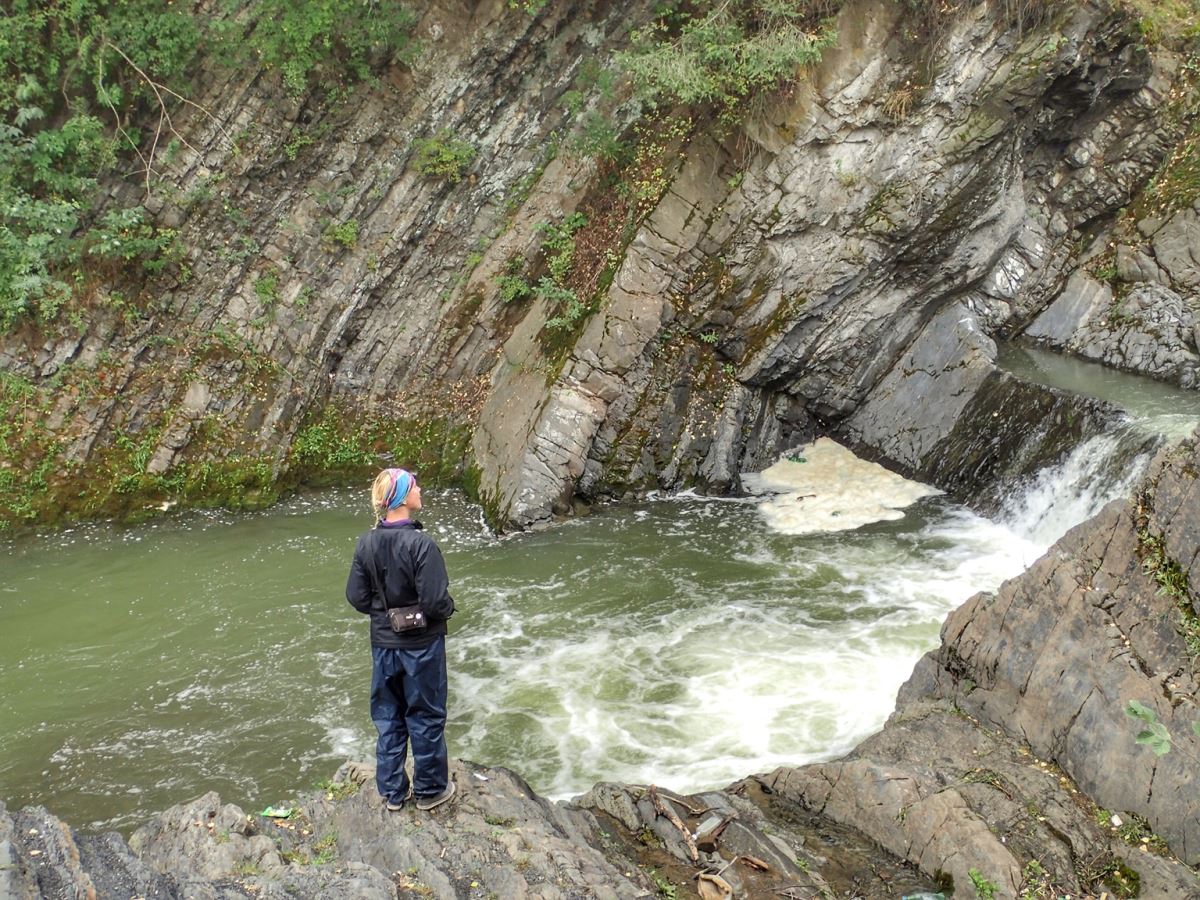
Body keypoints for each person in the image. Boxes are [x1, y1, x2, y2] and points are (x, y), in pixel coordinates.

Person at [346, 467, 457, 811]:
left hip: (383, 646)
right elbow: (437, 603)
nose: (420, 489)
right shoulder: (421, 545)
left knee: (388, 717)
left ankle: (393, 793)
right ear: (402, 498)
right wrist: (448, 609)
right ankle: (429, 790)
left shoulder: (366, 542)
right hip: (421, 648)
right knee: (425, 715)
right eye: (414, 486)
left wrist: (384, 613)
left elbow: (356, 597)